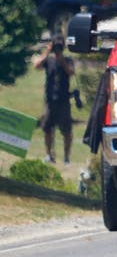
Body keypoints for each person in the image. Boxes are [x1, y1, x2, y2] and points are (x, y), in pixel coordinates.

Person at [34, 36, 77, 165]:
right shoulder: (48, 61)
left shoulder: (68, 60)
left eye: (59, 46)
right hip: (50, 101)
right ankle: (48, 155)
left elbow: (70, 72)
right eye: (56, 46)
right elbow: (37, 65)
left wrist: (61, 59)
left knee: (67, 131)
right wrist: (47, 51)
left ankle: (66, 158)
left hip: (63, 100)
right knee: (47, 128)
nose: (57, 49)